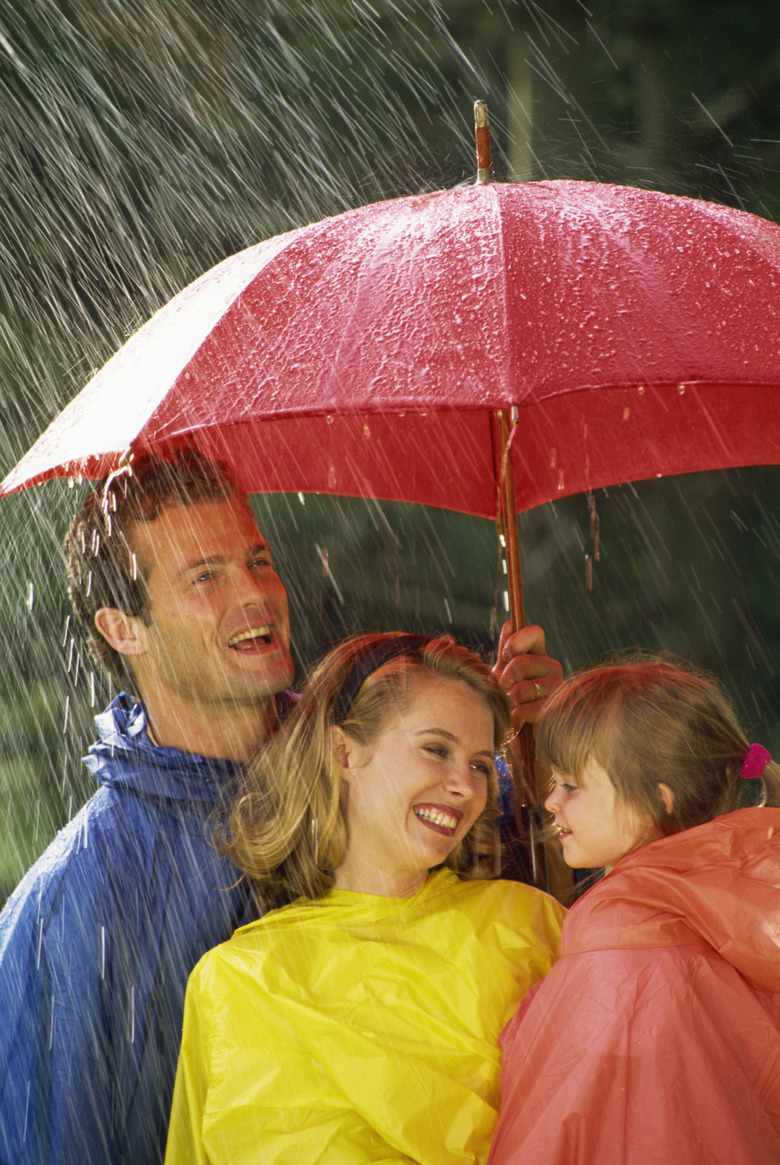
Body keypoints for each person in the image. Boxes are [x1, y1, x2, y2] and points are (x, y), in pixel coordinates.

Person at [0, 447, 562, 1165]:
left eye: (258, 560)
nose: (255, 593)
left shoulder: (404, 766)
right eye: (205, 576)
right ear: (123, 628)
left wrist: (534, 750)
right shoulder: (69, 910)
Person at [165, 632, 566, 1164]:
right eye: (436, 750)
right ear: (343, 752)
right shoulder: (245, 981)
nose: (467, 787)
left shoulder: (530, 922)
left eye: (478, 763)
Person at [488, 656, 780, 1165]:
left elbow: (559, 1118)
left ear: (658, 799)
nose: (551, 800)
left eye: (571, 784)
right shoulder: (739, 907)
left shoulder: (624, 938)